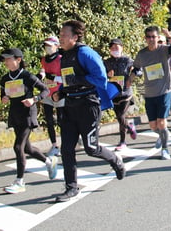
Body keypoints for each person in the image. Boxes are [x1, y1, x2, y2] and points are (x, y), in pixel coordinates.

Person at [53, 20, 125, 203]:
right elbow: (68, 81)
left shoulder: (85, 53)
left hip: (88, 106)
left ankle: (115, 160)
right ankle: (71, 187)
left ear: (75, 37)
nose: (60, 38)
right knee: (66, 149)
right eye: (60, 35)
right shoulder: (64, 56)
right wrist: (61, 92)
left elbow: (100, 79)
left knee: (91, 148)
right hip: (70, 106)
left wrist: (77, 80)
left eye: (63, 35)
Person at [0, 48, 58, 194]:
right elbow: (3, 95)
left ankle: (20, 182)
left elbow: (45, 90)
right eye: (5, 59)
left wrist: (34, 99)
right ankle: (49, 162)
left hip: (27, 114)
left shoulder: (27, 76)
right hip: (15, 114)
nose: (6, 61)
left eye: (9, 59)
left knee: (18, 147)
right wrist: (4, 98)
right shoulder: (5, 78)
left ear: (18, 60)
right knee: (27, 148)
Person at [133, 26, 171, 160]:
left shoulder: (163, 50)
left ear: (158, 38)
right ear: (145, 39)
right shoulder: (142, 54)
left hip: (164, 91)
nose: (151, 39)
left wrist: (169, 37)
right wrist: (130, 78)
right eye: (149, 37)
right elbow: (136, 68)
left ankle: (165, 149)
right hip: (150, 93)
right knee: (153, 126)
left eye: (154, 37)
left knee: (161, 122)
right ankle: (163, 134)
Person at [103, 38, 137, 151]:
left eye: (116, 47)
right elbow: (101, 75)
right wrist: (107, 74)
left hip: (125, 93)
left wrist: (132, 76)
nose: (114, 50)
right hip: (113, 94)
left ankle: (123, 142)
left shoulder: (127, 60)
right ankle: (129, 127)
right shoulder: (107, 62)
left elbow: (137, 70)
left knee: (121, 116)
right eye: (112, 48)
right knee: (119, 118)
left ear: (122, 48)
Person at [38, 36, 64, 157]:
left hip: (59, 93)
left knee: (61, 120)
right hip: (47, 92)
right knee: (49, 120)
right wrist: (41, 75)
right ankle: (54, 145)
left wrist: (54, 77)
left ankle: (66, 143)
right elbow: (43, 69)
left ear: (57, 46)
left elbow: (67, 77)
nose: (47, 48)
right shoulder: (44, 59)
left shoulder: (61, 59)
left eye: (50, 45)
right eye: (46, 46)